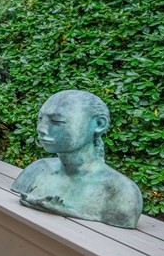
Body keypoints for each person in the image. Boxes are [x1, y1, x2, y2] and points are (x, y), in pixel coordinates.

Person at [12, 90, 142, 229]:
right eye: (40, 119)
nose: (41, 128)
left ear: (98, 124)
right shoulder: (36, 170)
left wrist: (75, 212)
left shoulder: (121, 192)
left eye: (56, 121)